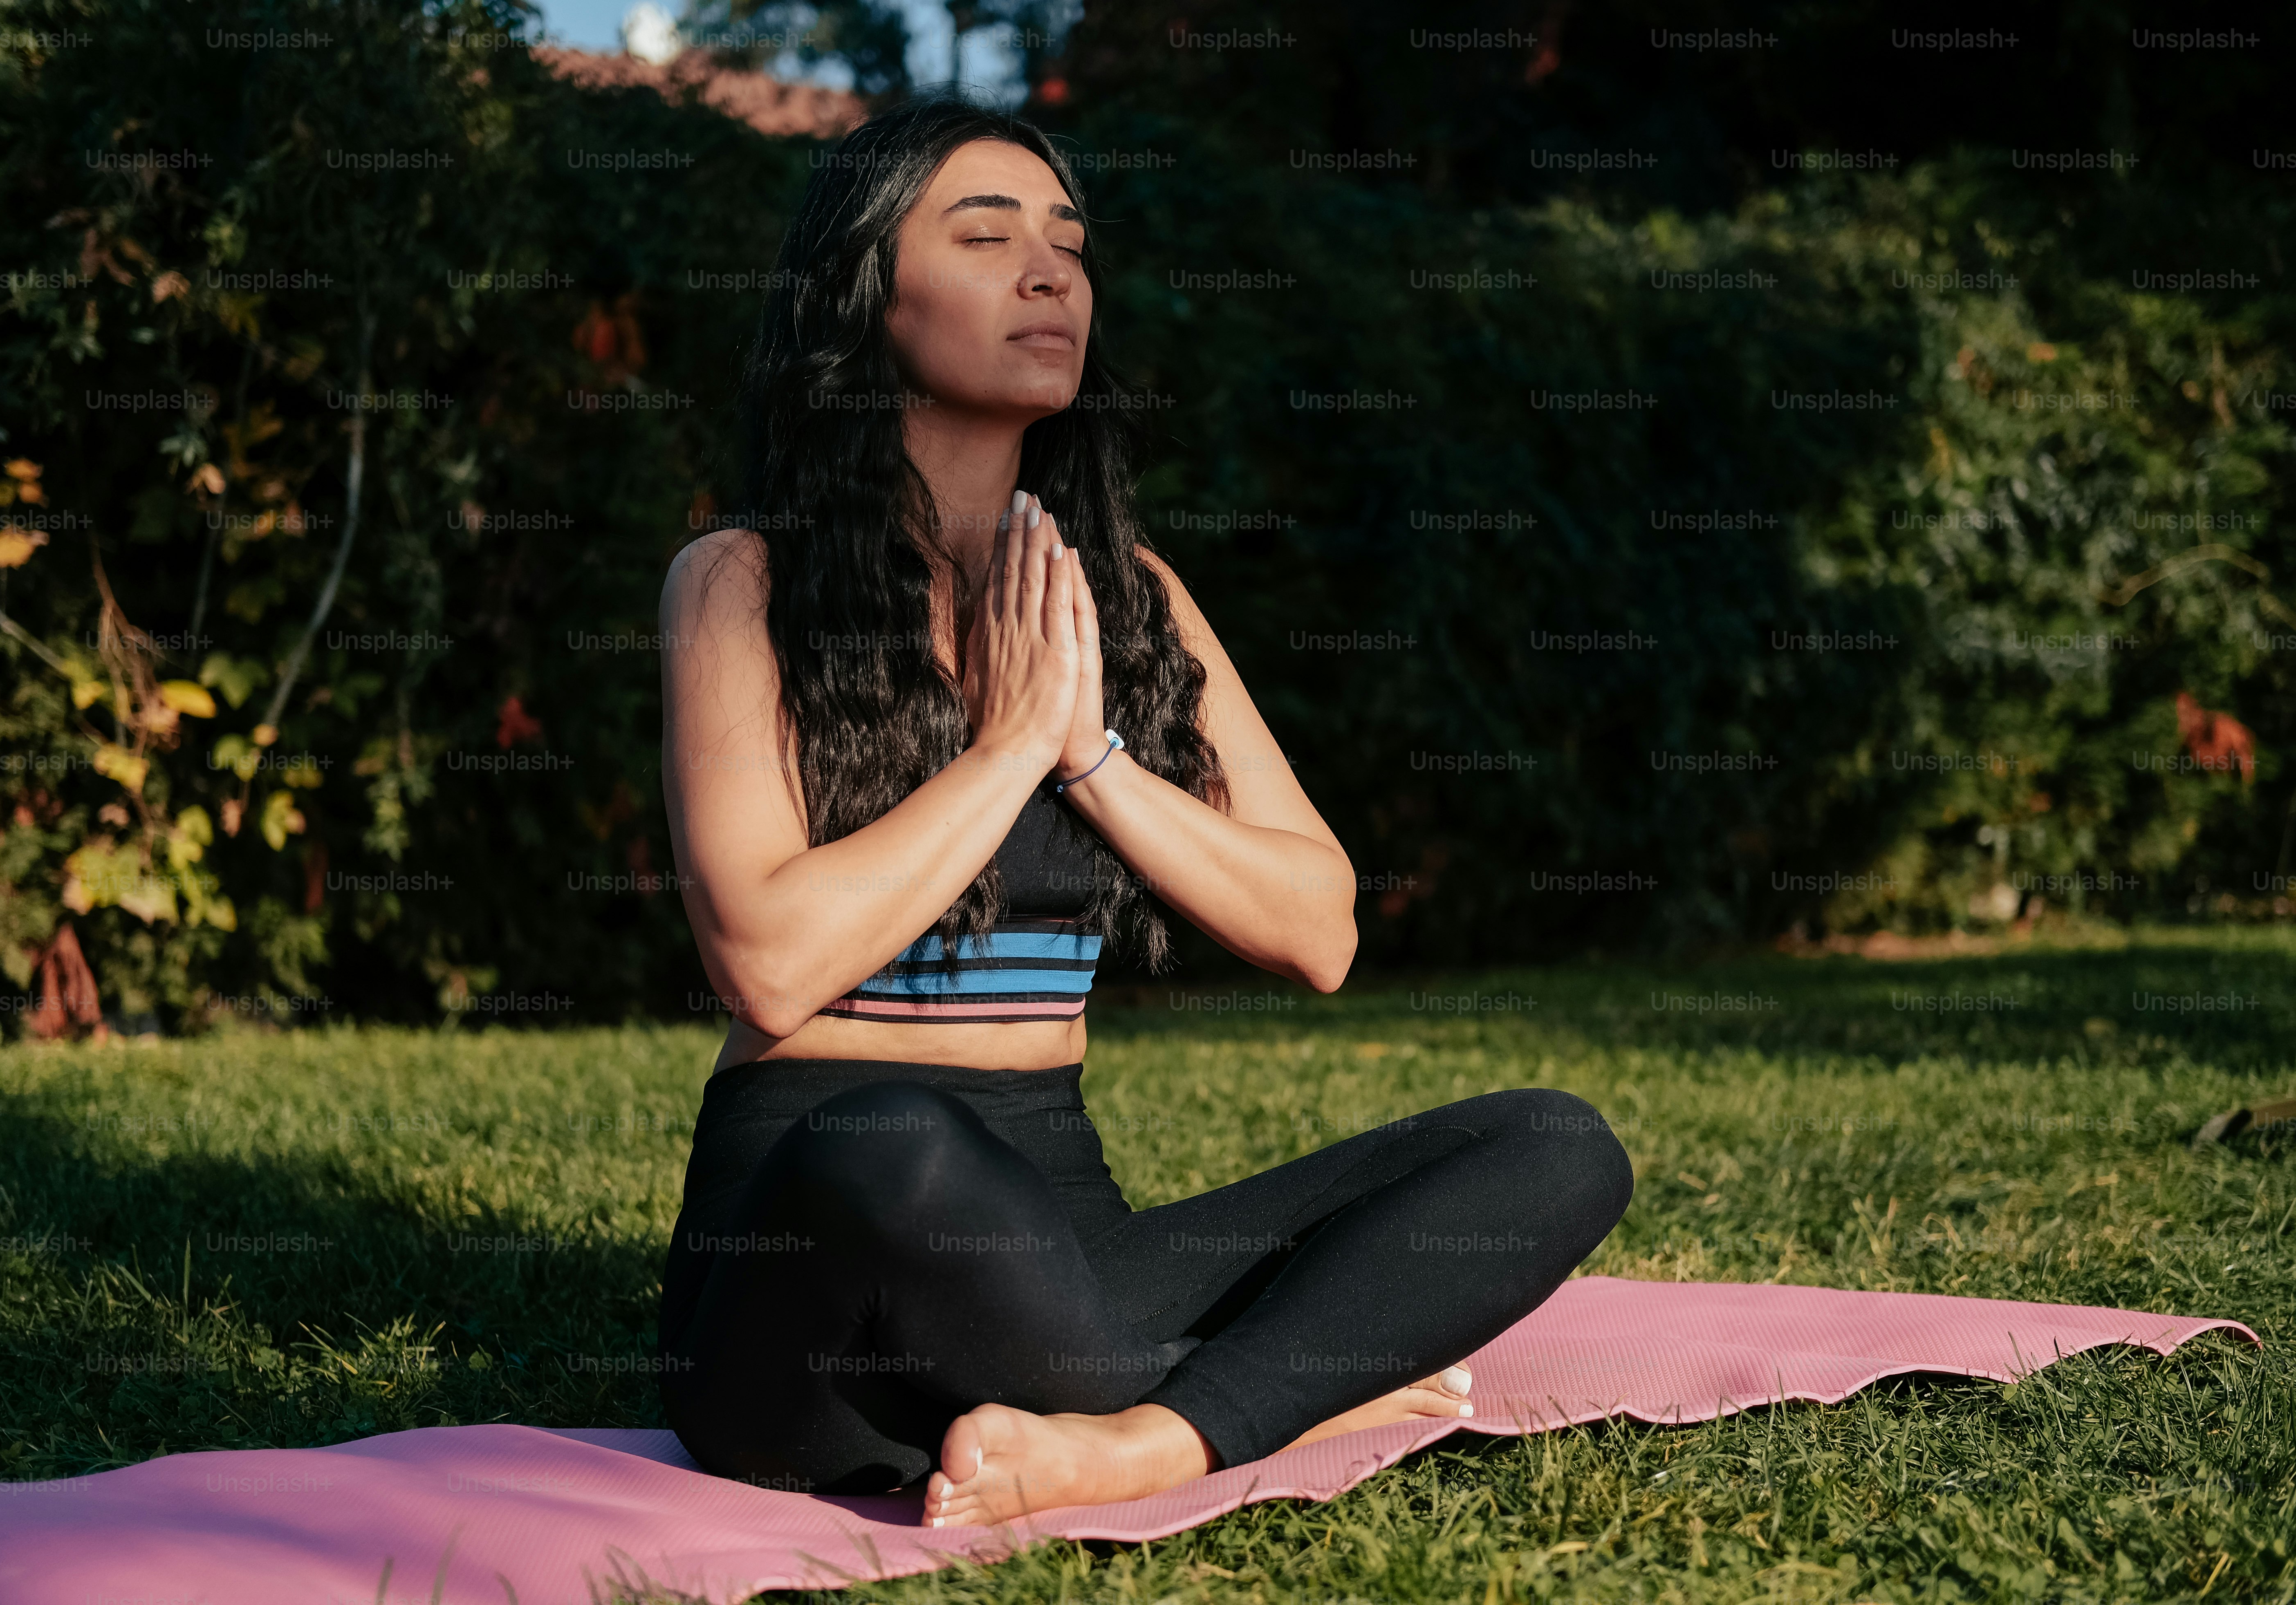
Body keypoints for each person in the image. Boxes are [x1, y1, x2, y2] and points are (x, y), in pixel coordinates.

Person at [655, 93, 1633, 1528]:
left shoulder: (1131, 599)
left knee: (1552, 1146)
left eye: (1068, 243)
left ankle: (1145, 1438)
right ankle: (1279, 1390)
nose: (1048, 273)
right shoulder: (745, 580)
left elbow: (1319, 929)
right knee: (889, 1139)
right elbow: (768, 961)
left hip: (1063, 1244)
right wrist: (1005, 749)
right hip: (811, 1291)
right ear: (861, 294)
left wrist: (1093, 759)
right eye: (985, 238)